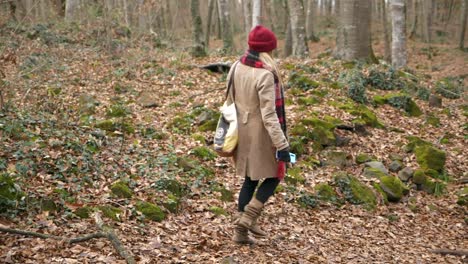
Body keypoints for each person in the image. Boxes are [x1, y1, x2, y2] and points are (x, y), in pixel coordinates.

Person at [226, 25, 291, 244]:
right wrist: (282, 145)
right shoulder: (265, 74)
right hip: (262, 136)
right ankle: (248, 217)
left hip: (241, 133)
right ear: (267, 50)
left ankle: (240, 234)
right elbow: (269, 115)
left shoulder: (236, 66)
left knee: (249, 179)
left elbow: (229, 99)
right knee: (277, 173)